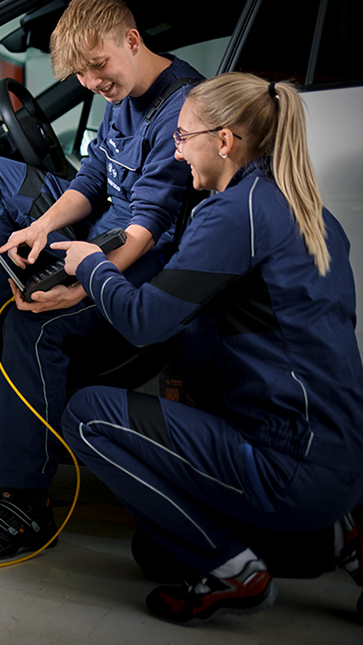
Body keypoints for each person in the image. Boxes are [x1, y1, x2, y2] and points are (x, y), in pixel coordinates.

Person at [55, 72, 363, 625]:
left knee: (86, 415)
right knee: (156, 551)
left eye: (181, 138)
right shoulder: (309, 211)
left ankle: (232, 572)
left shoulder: (235, 212)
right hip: (342, 457)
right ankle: (340, 534)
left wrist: (91, 264)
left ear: (223, 141)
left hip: (287, 464)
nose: (176, 153)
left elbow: (145, 322)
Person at [0, 0, 203, 559]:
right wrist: (42, 227)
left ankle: (25, 506)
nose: (91, 82)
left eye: (98, 66)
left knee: (31, 326)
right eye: (80, 73)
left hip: (140, 254)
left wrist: (83, 281)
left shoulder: (181, 107)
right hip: (106, 225)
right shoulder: (120, 93)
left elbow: (148, 225)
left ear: (131, 41)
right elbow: (90, 180)